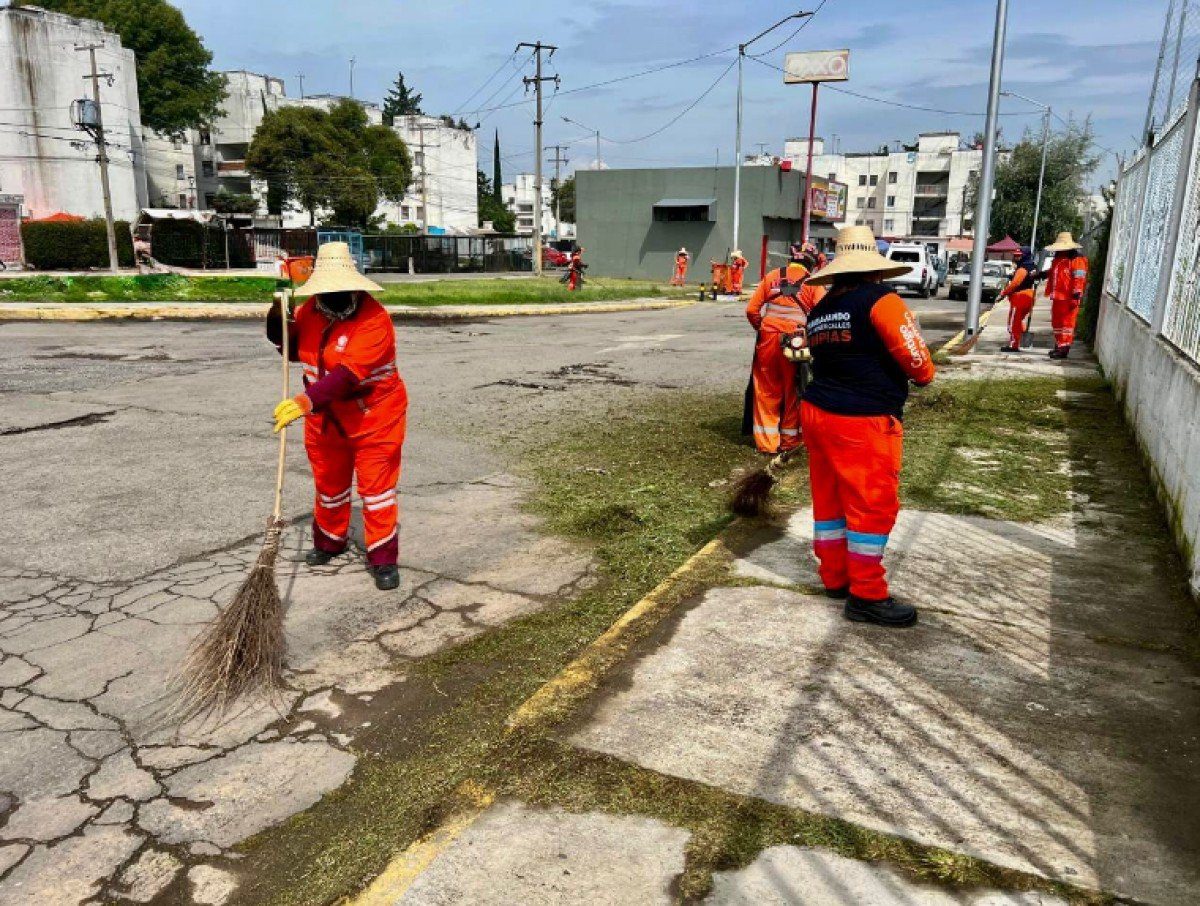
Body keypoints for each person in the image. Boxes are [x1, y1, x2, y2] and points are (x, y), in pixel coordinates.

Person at [801, 225, 936, 628]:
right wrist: (926, 376)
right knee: (870, 505)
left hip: (817, 414)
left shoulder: (823, 307)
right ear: (874, 268)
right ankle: (866, 594)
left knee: (830, 503)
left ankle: (835, 577)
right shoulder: (883, 301)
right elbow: (916, 359)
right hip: (862, 421)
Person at [267, 242, 408, 591]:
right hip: (325, 419)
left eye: (340, 290)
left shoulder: (375, 320)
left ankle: (382, 558)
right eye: (325, 291)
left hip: (375, 417)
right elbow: (285, 342)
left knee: (376, 492)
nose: (332, 298)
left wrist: (302, 403)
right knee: (329, 486)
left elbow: (347, 376)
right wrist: (277, 311)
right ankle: (330, 541)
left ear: (355, 287)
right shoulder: (312, 311)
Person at [744, 244, 825, 454]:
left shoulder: (772, 276)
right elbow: (821, 315)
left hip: (768, 339)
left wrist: (762, 328)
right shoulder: (814, 283)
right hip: (797, 340)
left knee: (767, 389)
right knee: (794, 388)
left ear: (792, 259)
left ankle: (767, 443)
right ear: (812, 264)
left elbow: (752, 310)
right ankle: (790, 441)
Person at [1044, 231, 1089, 359]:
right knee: (1057, 323)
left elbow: (1079, 278)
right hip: (1057, 297)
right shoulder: (1058, 259)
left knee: (1067, 324)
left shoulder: (1077, 260)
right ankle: (1059, 344)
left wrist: (1076, 295)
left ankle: (1064, 347)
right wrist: (1042, 274)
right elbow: (1054, 273)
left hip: (1069, 298)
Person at [997, 245, 1038, 352]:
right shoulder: (1032, 266)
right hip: (1029, 296)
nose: (1016, 258)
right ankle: (1023, 339)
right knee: (1019, 321)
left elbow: (1015, 284)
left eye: (1019, 256)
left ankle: (1013, 345)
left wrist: (1003, 294)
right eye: (1015, 256)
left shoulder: (1023, 268)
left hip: (1020, 298)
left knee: (1013, 323)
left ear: (1024, 256)